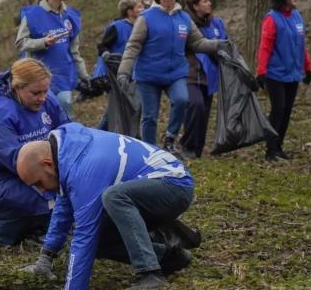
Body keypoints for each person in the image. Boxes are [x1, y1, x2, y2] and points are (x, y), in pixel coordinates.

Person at [18, 123, 195, 289]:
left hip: (174, 184)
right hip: (149, 188)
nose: (41, 191)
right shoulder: (67, 153)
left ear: (47, 163)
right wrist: (45, 257)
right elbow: (63, 207)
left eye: (39, 183)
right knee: (100, 239)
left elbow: (85, 235)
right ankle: (171, 258)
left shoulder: (85, 168)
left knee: (113, 198)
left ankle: (150, 273)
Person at [0, 58, 71, 247]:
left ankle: (37, 226)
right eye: (35, 93)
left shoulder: (46, 100)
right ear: (17, 88)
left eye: (45, 91)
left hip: (24, 170)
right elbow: (17, 160)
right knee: (46, 198)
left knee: (64, 192)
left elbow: (68, 134)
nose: (42, 97)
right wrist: (56, 182)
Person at [117, 0, 224, 157]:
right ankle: (149, 153)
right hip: (148, 75)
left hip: (176, 74)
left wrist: (219, 44)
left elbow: (198, 42)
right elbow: (133, 45)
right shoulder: (146, 17)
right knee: (150, 116)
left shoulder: (184, 18)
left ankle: (169, 139)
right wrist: (124, 71)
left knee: (182, 100)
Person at [16, 0, 90, 117]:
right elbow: (20, 43)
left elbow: (75, 51)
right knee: (44, 116)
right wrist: (43, 42)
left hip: (63, 75)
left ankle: (65, 137)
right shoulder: (32, 15)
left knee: (64, 108)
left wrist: (85, 76)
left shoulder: (70, 16)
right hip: (38, 77)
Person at [256, 0, 311, 162]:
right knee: (278, 109)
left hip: (293, 73)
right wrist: (261, 71)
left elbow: (301, 45)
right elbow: (265, 47)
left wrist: (307, 67)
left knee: (287, 110)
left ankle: (279, 147)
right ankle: (270, 149)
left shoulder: (297, 16)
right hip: (275, 74)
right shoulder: (272, 19)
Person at [178, 0, 228, 160]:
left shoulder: (216, 24)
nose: (209, 3)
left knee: (204, 113)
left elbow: (225, 44)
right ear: (195, 6)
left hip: (209, 76)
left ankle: (196, 150)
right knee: (196, 105)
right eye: (205, 1)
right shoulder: (186, 25)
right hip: (190, 74)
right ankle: (187, 145)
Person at [93, 0, 143, 130]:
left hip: (136, 73)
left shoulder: (142, 26)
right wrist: (107, 56)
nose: (142, 9)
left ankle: (130, 135)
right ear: (130, 11)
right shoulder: (117, 27)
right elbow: (102, 46)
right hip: (117, 74)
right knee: (114, 108)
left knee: (135, 107)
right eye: (139, 7)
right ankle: (99, 132)